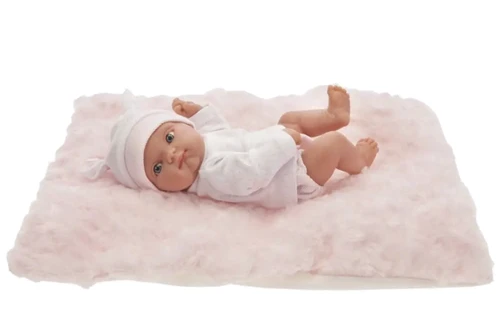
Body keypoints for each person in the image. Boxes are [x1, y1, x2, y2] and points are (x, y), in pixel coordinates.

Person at [84, 85, 379, 209]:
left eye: (170, 138)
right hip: (293, 177)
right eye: (158, 167)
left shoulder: (203, 144)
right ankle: (358, 160)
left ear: (184, 126)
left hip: (283, 149)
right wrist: (285, 141)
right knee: (332, 145)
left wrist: (200, 113)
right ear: (159, 187)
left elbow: (218, 130)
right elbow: (253, 172)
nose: (171, 155)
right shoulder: (212, 174)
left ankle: (334, 116)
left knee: (289, 119)